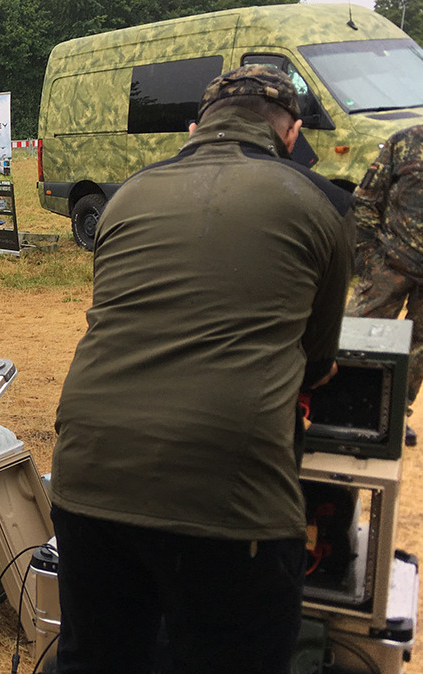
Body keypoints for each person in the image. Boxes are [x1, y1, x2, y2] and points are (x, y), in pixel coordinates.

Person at [49, 65, 353, 674]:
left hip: (87, 476)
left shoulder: (127, 194)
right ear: (291, 135)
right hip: (229, 501)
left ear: (195, 127)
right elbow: (316, 365)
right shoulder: (324, 201)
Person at [345, 125, 423, 446]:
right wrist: (367, 256)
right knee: (360, 334)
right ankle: (346, 407)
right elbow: (365, 199)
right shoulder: (405, 142)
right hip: (389, 264)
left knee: (418, 350)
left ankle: (393, 416)